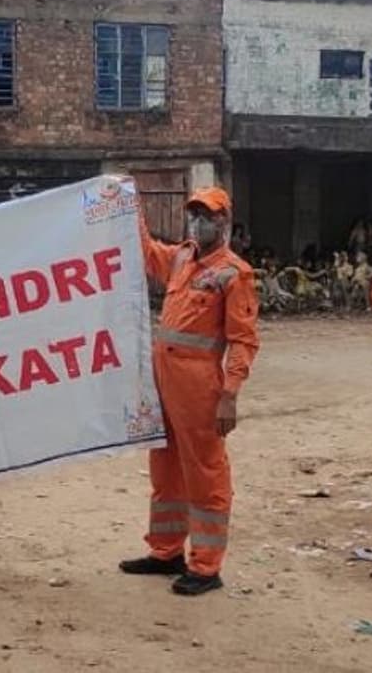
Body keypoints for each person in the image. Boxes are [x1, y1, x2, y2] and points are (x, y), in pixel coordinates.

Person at [119, 186, 261, 596]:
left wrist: (229, 394)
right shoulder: (182, 257)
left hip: (200, 384)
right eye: (194, 215)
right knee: (165, 469)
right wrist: (131, 206)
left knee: (205, 474)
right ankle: (165, 553)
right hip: (163, 378)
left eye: (207, 216)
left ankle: (206, 565)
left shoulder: (234, 274)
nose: (198, 222)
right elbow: (146, 251)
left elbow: (244, 339)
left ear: (224, 222)